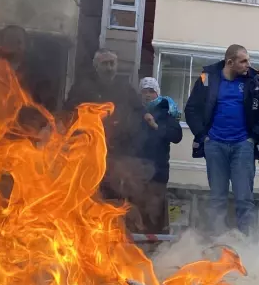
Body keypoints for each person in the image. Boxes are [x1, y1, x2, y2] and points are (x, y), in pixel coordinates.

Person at [184, 44, 259, 235]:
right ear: (230, 62)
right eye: (244, 61)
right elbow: (191, 109)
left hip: (243, 146)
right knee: (217, 198)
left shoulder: (255, 81)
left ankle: (245, 243)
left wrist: (253, 138)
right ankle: (217, 242)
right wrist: (203, 137)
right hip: (214, 145)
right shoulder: (207, 79)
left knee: (244, 199)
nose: (248, 65)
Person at [66, 49, 148, 221]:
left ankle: (111, 233)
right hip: (89, 153)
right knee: (89, 194)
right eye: (105, 64)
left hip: (118, 153)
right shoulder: (83, 87)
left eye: (112, 63)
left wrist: (146, 117)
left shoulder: (124, 88)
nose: (109, 67)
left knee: (114, 196)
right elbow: (69, 113)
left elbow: (139, 110)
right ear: (96, 66)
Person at [137, 77, 184, 233]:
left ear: (157, 94)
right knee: (135, 208)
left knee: (155, 210)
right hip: (134, 171)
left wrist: (156, 126)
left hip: (158, 171)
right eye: (145, 91)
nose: (148, 95)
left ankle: (155, 246)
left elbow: (177, 136)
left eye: (152, 91)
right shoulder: (133, 111)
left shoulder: (166, 113)